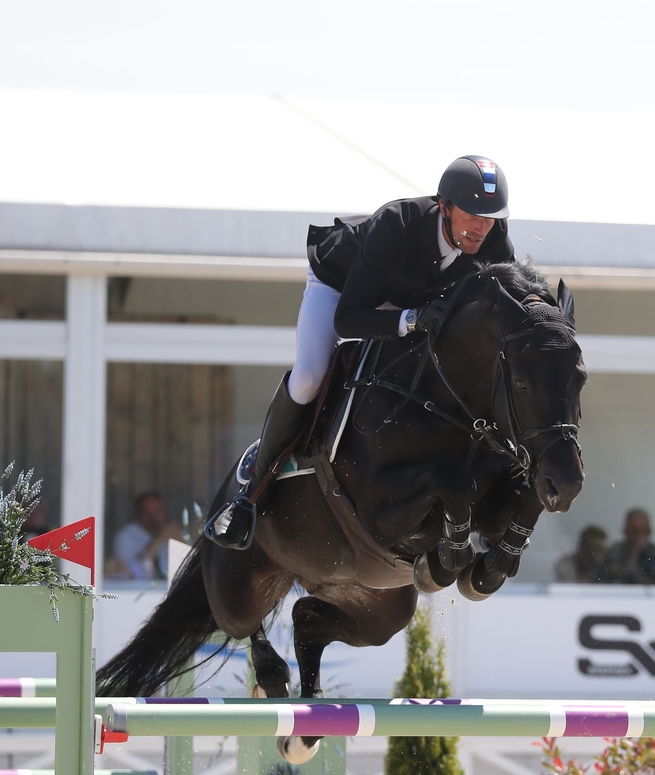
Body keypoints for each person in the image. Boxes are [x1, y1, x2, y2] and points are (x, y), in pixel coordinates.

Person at [206, 155, 515, 549]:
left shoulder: (494, 238)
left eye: (490, 217)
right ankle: (252, 484)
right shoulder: (396, 223)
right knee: (309, 377)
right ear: (445, 206)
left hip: (411, 301)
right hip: (342, 288)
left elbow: (509, 302)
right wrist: (412, 318)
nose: (481, 228)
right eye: (472, 214)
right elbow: (348, 320)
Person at [113, 492, 182, 580]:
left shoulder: (174, 532)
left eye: (157, 511)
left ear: (165, 512)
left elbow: (188, 567)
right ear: (138, 515)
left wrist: (179, 540)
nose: (153, 517)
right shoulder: (126, 536)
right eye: (147, 512)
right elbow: (132, 574)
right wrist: (159, 539)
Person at [604, 508, 655, 585]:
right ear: (625, 531)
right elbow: (615, 579)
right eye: (634, 531)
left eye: (644, 531)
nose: (639, 535)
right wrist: (634, 552)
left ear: (650, 531)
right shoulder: (614, 551)